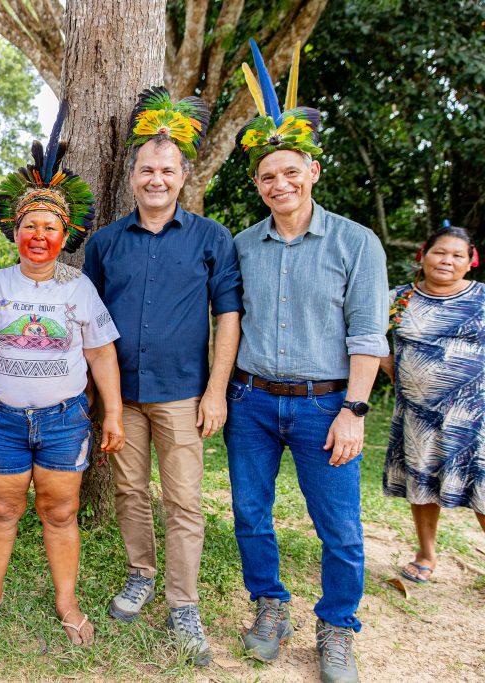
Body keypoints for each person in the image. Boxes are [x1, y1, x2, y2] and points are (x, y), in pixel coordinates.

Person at [225, 40, 389, 683]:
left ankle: (338, 626)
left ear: (312, 171)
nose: (280, 185)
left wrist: (354, 410)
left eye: (291, 172)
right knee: (249, 512)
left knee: (339, 526)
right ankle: (269, 605)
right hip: (252, 402)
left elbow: (368, 334)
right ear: (257, 184)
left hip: (327, 405)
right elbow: (227, 322)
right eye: (268, 177)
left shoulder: (356, 242)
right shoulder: (242, 246)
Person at [0, 104, 123, 645]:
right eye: (29, 226)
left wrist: (113, 412)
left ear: (65, 235)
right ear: (15, 231)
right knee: (1, 508)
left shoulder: (78, 288)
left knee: (60, 512)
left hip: (65, 420)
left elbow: (102, 355)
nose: (38, 235)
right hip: (4, 419)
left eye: (50, 227)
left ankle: (67, 601)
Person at [82, 88, 242, 665]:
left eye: (167, 170)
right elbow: (89, 322)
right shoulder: (104, 244)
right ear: (132, 177)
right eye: (147, 170)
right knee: (129, 491)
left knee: (184, 501)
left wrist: (216, 391)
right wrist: (95, 397)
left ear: (183, 176)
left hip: (182, 394)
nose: (156, 179)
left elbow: (228, 316)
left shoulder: (211, 238)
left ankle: (183, 602)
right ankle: (140, 573)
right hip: (121, 396)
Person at [381, 223, 485, 582]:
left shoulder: (481, 297)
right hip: (418, 415)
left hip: (475, 418)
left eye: (457, 255)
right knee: (421, 482)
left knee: (482, 486)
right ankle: (426, 555)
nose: (446, 260)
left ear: (471, 261)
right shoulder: (399, 298)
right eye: (439, 252)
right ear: (422, 255)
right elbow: (365, 332)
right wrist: (390, 366)